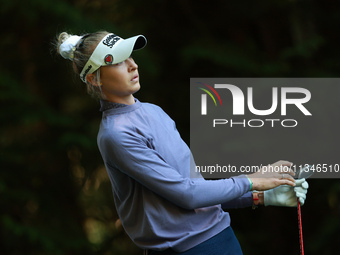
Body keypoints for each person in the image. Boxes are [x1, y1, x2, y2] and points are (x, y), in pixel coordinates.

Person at [56, 31, 309, 255]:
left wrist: (258, 197)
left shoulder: (154, 112)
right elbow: (186, 195)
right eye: (119, 61)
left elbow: (194, 188)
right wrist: (253, 180)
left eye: (130, 56)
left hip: (222, 239)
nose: (133, 65)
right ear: (94, 79)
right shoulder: (116, 135)